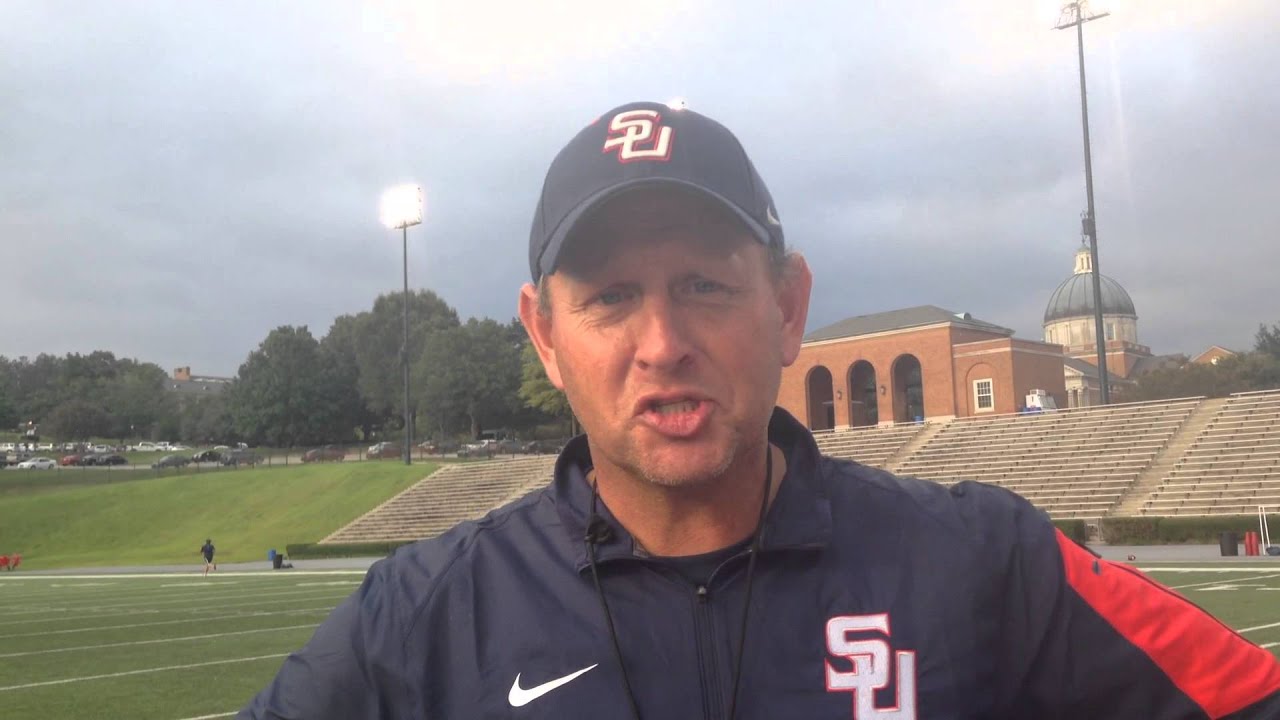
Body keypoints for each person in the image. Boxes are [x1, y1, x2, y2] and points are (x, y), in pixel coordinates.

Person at [238, 101, 1280, 719]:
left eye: (703, 284)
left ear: (786, 309)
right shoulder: (418, 618)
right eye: (607, 298)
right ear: (545, 337)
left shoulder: (984, 564)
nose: (661, 344)